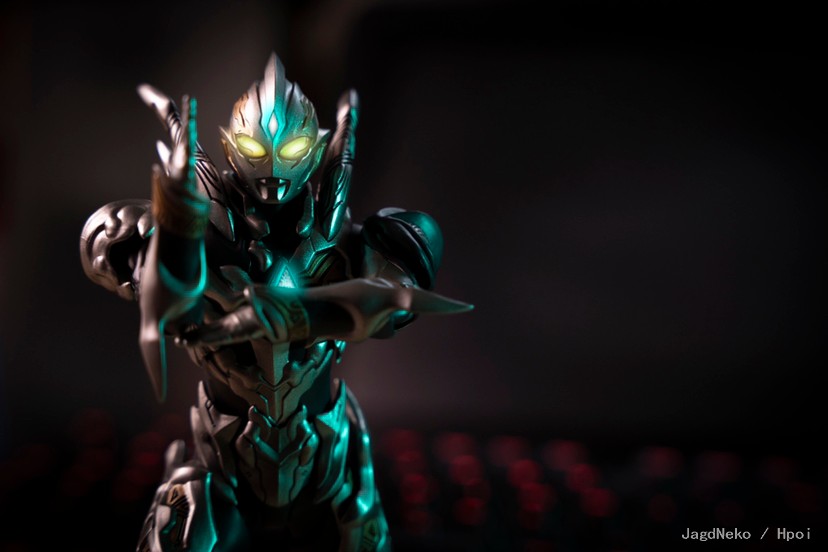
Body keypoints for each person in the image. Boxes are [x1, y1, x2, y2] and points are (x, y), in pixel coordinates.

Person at [80, 52, 471, 551]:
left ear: (316, 148)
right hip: (224, 459)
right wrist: (160, 257)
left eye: (291, 149)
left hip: (324, 461)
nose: (272, 169)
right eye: (254, 148)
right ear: (231, 147)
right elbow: (105, 246)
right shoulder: (198, 245)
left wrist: (334, 302)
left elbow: (401, 292)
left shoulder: (347, 244)